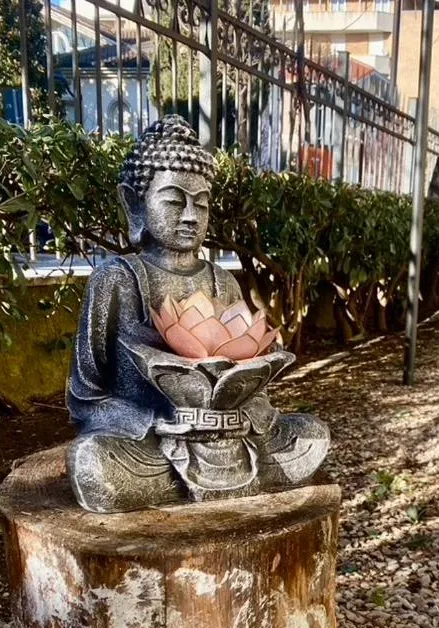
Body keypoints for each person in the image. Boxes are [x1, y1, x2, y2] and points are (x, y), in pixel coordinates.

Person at [66, 116, 328, 512]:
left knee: (312, 435)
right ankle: (204, 480)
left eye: (201, 204)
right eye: (174, 201)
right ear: (136, 204)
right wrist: (159, 421)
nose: (191, 216)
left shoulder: (223, 281)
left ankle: (220, 476)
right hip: (149, 443)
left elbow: (250, 382)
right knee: (92, 463)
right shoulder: (117, 279)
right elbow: (85, 396)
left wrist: (241, 419)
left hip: (230, 437)